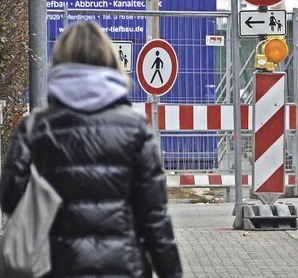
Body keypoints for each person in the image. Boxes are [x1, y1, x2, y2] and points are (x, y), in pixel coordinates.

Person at [0, 21, 182, 277]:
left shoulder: (35, 128)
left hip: (53, 266)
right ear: (109, 60)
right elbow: (154, 219)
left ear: (60, 63)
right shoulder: (135, 129)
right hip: (123, 267)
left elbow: (9, 199)